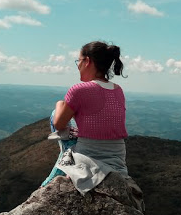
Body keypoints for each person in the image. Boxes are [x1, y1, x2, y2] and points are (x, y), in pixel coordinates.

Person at [41, 41, 137, 201]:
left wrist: (59, 104)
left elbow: (58, 124)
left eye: (78, 61)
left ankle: (63, 159)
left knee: (55, 113)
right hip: (118, 159)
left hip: (90, 157)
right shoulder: (118, 90)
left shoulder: (78, 89)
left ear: (87, 61)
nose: (77, 65)